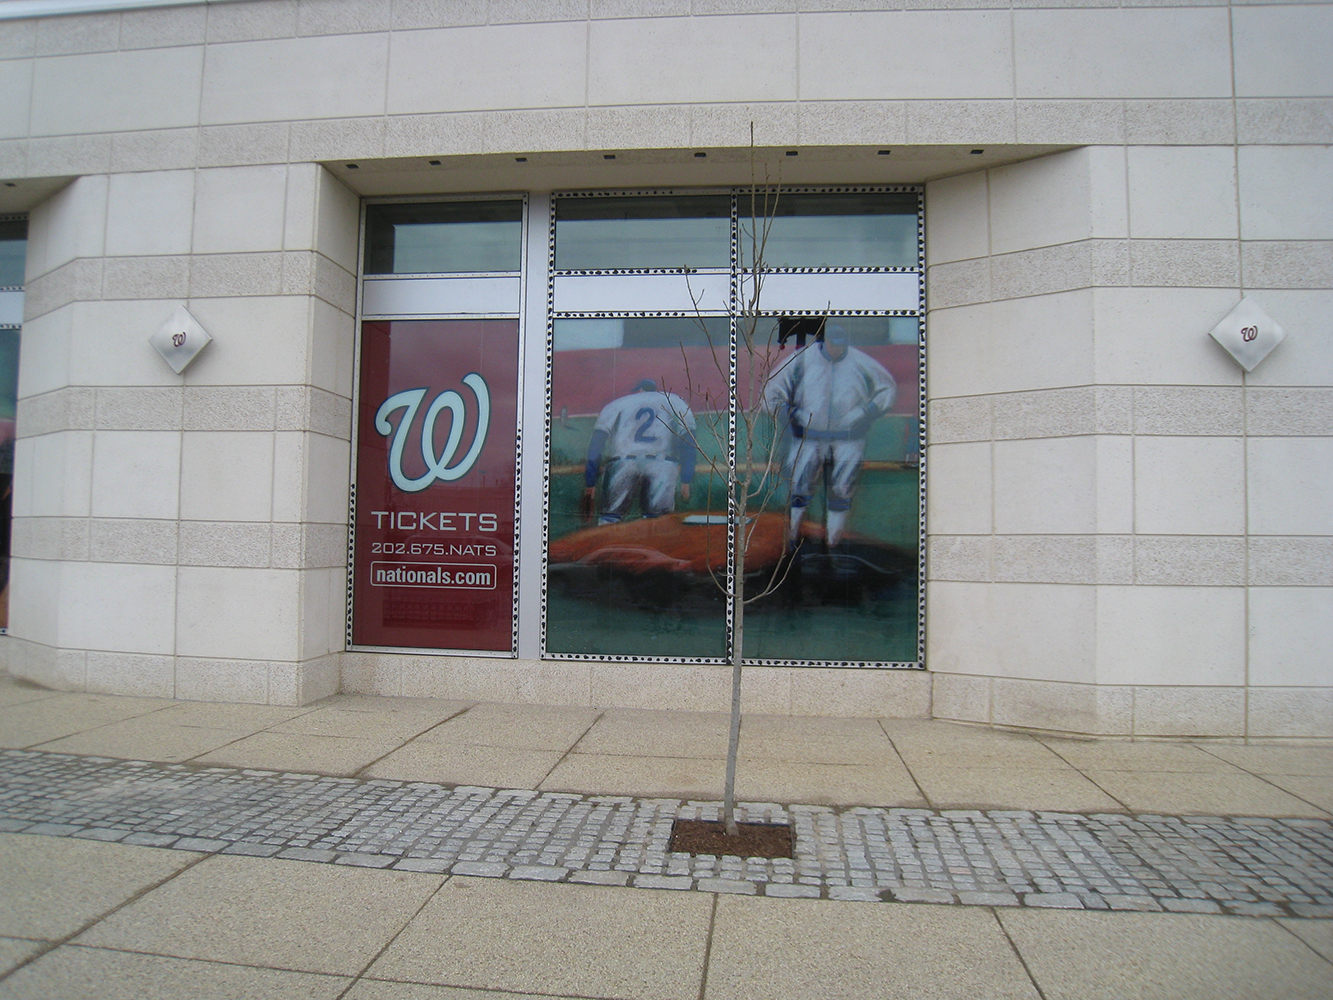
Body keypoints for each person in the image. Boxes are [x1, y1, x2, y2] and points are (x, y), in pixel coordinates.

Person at [763, 323, 896, 548]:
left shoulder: (859, 360)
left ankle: (833, 546)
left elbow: (889, 389)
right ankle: (792, 539)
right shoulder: (802, 359)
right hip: (808, 437)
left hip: (849, 438)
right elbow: (771, 393)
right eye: (834, 344)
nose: (837, 350)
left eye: (841, 345)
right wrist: (794, 413)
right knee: (799, 487)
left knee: (842, 491)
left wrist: (866, 411)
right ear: (824, 342)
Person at [583, 378, 697, 524]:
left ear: (640, 390)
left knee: (610, 518)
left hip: (623, 463)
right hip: (662, 465)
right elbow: (688, 438)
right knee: (658, 521)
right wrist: (686, 478)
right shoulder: (675, 401)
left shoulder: (619, 403)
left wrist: (590, 481)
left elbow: (597, 441)